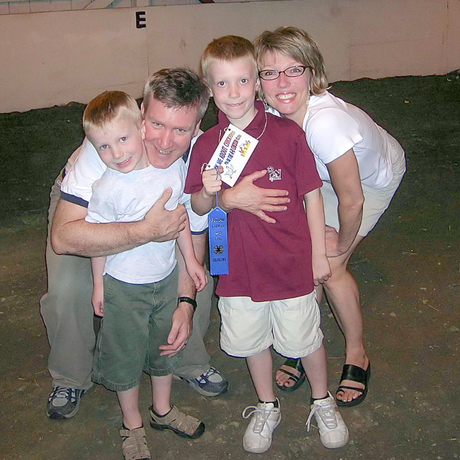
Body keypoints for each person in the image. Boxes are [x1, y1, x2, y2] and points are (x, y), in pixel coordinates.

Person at [186, 35, 349, 454]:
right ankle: (266, 404)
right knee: (251, 340)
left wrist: (317, 255)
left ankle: (322, 398)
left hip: (291, 262)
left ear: (257, 83)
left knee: (305, 338)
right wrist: (212, 192)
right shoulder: (207, 145)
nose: (234, 92)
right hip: (238, 267)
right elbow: (201, 208)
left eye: (243, 80)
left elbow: (313, 195)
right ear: (209, 90)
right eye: (222, 84)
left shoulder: (286, 134)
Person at [40, 68, 229, 422]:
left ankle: (186, 361)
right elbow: (64, 237)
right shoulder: (107, 148)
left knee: (198, 286)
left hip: (162, 216)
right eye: (157, 125)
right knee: (68, 289)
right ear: (141, 115)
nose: (165, 142)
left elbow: (197, 230)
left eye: (181, 130)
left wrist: (185, 302)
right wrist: (143, 231)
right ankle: (70, 375)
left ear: (197, 126)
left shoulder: (198, 156)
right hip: (89, 214)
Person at [254, 26, 406, 406]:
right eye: (270, 73)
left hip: (371, 181)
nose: (282, 82)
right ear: (259, 81)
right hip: (318, 175)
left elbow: (351, 200)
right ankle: (304, 341)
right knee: (304, 252)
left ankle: (357, 354)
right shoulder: (275, 108)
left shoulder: (325, 124)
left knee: (331, 266)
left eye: (294, 70)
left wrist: (338, 241)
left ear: (312, 72)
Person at [83, 90, 207, 459]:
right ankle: (132, 423)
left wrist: (192, 261)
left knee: (164, 345)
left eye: (122, 140)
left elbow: (181, 218)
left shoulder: (169, 169)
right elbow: (97, 242)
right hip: (124, 286)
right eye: (104, 147)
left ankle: (163, 410)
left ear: (139, 128)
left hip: (166, 279)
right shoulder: (106, 188)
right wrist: (97, 285)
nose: (117, 154)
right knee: (124, 354)